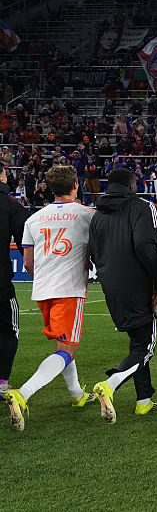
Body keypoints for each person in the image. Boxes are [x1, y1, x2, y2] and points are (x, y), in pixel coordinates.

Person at [5, 165, 97, 432]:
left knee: (63, 344)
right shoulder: (87, 215)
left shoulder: (34, 219)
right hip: (69, 289)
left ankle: (77, 394)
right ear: (76, 185)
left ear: (47, 187)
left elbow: (29, 262)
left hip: (42, 289)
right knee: (66, 349)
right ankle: (23, 393)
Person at [88, 168, 157, 423]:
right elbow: (145, 245)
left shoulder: (97, 215)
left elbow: (93, 253)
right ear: (132, 185)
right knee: (147, 348)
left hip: (111, 286)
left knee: (138, 342)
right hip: (140, 285)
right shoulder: (143, 206)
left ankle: (143, 400)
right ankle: (111, 384)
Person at [0, 167, 30, 395]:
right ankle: (1, 383)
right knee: (9, 331)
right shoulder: (12, 206)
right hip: (1, 283)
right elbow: (25, 247)